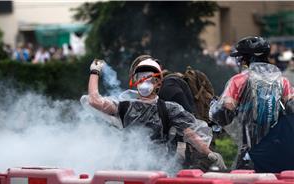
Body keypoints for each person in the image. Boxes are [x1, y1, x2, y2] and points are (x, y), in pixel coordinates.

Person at [85, 57, 227, 172]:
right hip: (129, 169)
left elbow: (191, 134)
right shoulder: (125, 106)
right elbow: (94, 100)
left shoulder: (170, 109)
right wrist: (95, 72)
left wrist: (209, 153)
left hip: (159, 171)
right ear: (134, 80)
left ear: (158, 82)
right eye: (141, 76)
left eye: (149, 77)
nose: (144, 80)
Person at [210, 36, 294, 173]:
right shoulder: (282, 81)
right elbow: (292, 108)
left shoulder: (239, 80)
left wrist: (213, 106)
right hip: (277, 150)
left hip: (249, 153)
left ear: (247, 59)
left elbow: (224, 113)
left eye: (241, 58)